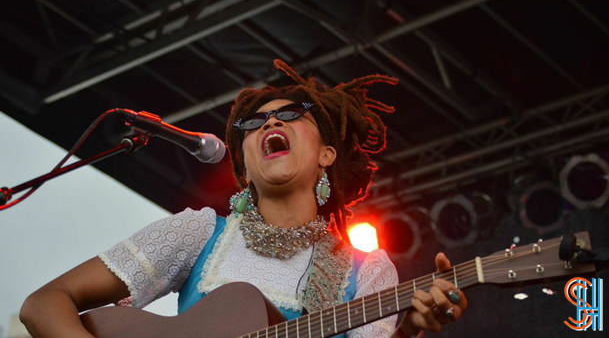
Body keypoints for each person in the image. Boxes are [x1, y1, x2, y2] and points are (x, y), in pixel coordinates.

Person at [19, 60, 467, 337]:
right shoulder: (198, 233)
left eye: (291, 115)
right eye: (253, 125)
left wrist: (408, 331)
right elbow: (43, 303)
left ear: (326, 155)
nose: (270, 124)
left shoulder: (365, 272)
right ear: (245, 167)